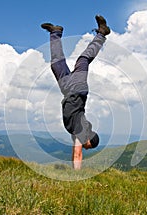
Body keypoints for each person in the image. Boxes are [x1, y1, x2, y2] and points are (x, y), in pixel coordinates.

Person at [41, 15, 110, 169]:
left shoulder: (81, 130)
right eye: (88, 146)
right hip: (77, 89)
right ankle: (102, 34)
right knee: (83, 59)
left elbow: (78, 149)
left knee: (56, 64)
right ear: (90, 140)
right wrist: (76, 176)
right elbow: (77, 154)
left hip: (68, 91)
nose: (86, 148)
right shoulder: (82, 131)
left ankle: (55, 33)